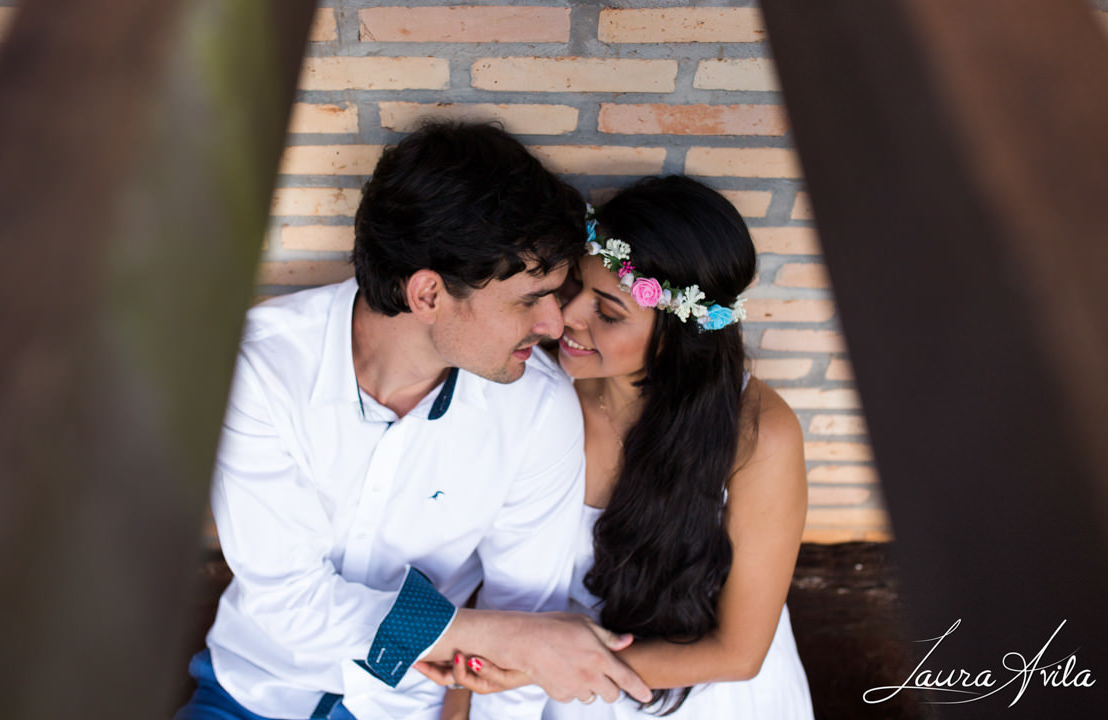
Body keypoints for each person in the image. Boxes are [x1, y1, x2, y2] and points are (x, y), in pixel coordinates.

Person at [175, 122, 651, 720]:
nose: (555, 326)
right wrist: (495, 636)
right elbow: (287, 602)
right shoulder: (262, 369)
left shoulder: (537, 407)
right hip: (252, 690)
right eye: (530, 299)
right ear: (428, 296)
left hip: (402, 706)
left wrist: (505, 642)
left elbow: (527, 633)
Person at [429, 176, 814, 718]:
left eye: (608, 313)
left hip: (695, 683)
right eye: (573, 288)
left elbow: (738, 654)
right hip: (555, 671)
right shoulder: (535, 389)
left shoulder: (758, 436)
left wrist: (539, 667)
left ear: (677, 335)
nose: (566, 318)